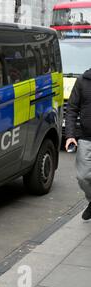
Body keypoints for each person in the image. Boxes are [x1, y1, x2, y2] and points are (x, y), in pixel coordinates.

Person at [65, 68, 91, 220]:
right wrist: (70, 135)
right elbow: (72, 109)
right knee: (82, 177)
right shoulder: (82, 80)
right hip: (86, 138)